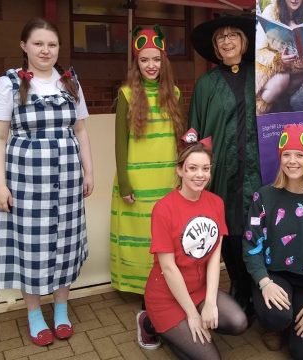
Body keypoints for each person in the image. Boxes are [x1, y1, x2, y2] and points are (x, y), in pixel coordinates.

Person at [0, 17, 93, 346]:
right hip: (25, 182)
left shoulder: (69, 82)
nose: (46, 50)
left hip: (67, 178)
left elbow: (80, 130)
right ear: (24, 46)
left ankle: (61, 308)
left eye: (52, 44)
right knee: (31, 247)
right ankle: (34, 313)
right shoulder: (8, 85)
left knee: (66, 241)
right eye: (38, 44)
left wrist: (88, 171)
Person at [109, 25, 186, 350]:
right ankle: (147, 295)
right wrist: (124, 180)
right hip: (138, 182)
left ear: (164, 60)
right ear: (136, 63)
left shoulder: (176, 94)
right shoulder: (127, 95)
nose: (151, 65)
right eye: (144, 60)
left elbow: (181, 140)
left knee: (164, 239)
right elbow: (119, 143)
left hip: (166, 180)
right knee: (142, 239)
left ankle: (166, 289)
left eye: (156, 59)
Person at [145, 129, 248, 359]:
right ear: (180, 170)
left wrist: (210, 302)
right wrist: (192, 314)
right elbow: (168, 268)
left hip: (199, 290)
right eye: (192, 168)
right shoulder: (163, 209)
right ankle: (152, 323)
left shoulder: (216, 203)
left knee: (239, 322)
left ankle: (182, 333)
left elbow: (214, 258)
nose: (199, 175)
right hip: (167, 296)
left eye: (205, 168)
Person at [243, 124, 303, 359]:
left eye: (300, 155)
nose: (292, 161)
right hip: (275, 274)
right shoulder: (264, 197)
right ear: (280, 157)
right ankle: (277, 325)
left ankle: (301, 315)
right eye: (286, 154)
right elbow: (251, 245)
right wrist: (264, 282)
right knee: (276, 315)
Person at [189, 15, 260, 315]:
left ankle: (259, 286)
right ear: (216, 48)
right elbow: (197, 130)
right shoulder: (206, 84)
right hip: (223, 171)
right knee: (228, 230)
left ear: (244, 43)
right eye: (221, 38)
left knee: (256, 228)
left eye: (234, 35)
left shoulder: (262, 75)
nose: (227, 41)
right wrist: (197, 172)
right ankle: (240, 287)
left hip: (260, 169)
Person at [256, 0, 303, 114]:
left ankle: (283, 108)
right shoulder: (271, 11)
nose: (294, 0)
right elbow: (259, 50)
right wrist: (278, 60)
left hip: (292, 67)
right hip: (268, 67)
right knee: (282, 78)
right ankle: (260, 112)